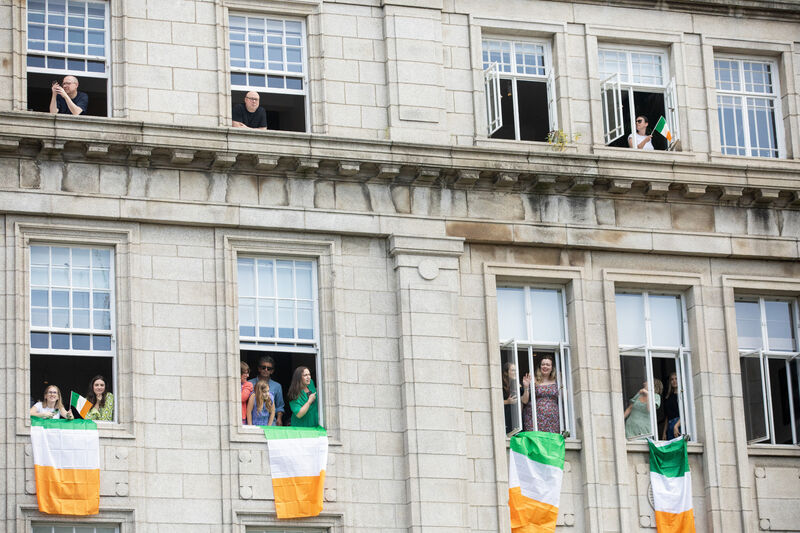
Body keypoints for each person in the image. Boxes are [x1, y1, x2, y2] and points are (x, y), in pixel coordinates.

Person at [527, 355, 560, 433]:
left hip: (553, 419)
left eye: (548, 365)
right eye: (543, 364)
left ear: (552, 368)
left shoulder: (557, 380)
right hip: (534, 418)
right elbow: (526, 399)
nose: (545, 366)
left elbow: (564, 398)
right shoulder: (534, 379)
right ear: (540, 366)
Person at [248, 356, 285, 425]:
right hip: (253, 423)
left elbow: (279, 406)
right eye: (263, 367)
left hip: (271, 423)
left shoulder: (277, 386)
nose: (266, 370)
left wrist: (279, 419)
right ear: (259, 368)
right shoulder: (250, 383)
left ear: (272, 371)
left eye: (269, 368)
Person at [502, 362, 524, 434]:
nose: (515, 372)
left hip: (515, 416)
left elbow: (523, 400)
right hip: (505, 415)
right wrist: (508, 402)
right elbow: (495, 401)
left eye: (516, 370)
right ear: (506, 373)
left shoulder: (517, 384)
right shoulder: (501, 384)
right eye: (513, 370)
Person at [662, 372, 681, 440]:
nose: (674, 381)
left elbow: (686, 414)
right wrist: (664, 433)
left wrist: (676, 426)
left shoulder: (682, 395)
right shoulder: (668, 397)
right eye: (672, 379)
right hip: (670, 425)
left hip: (679, 424)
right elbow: (667, 417)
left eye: (676, 379)